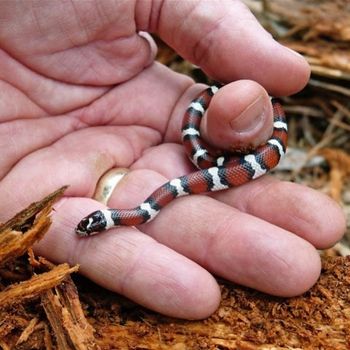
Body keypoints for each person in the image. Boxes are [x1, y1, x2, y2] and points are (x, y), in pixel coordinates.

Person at [0, 0, 345, 319]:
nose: (87, 229)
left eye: (93, 224)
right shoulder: (142, 210)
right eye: (94, 225)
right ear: (110, 219)